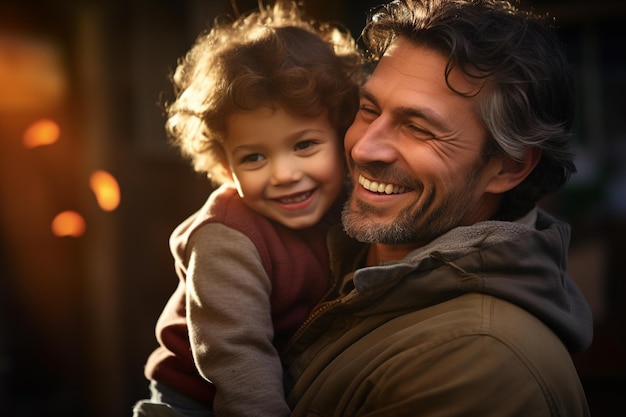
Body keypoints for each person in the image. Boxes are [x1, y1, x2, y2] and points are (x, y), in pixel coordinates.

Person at [281, 0, 594, 416]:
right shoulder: (311, 248)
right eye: (369, 108)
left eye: (419, 128)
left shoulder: (482, 364)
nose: (364, 146)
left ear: (509, 166)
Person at [132, 1, 362, 416]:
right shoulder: (226, 238)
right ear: (224, 165)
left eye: (304, 145)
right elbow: (236, 355)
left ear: (343, 132)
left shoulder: (353, 206)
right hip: (195, 403)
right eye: (254, 157)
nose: (285, 174)